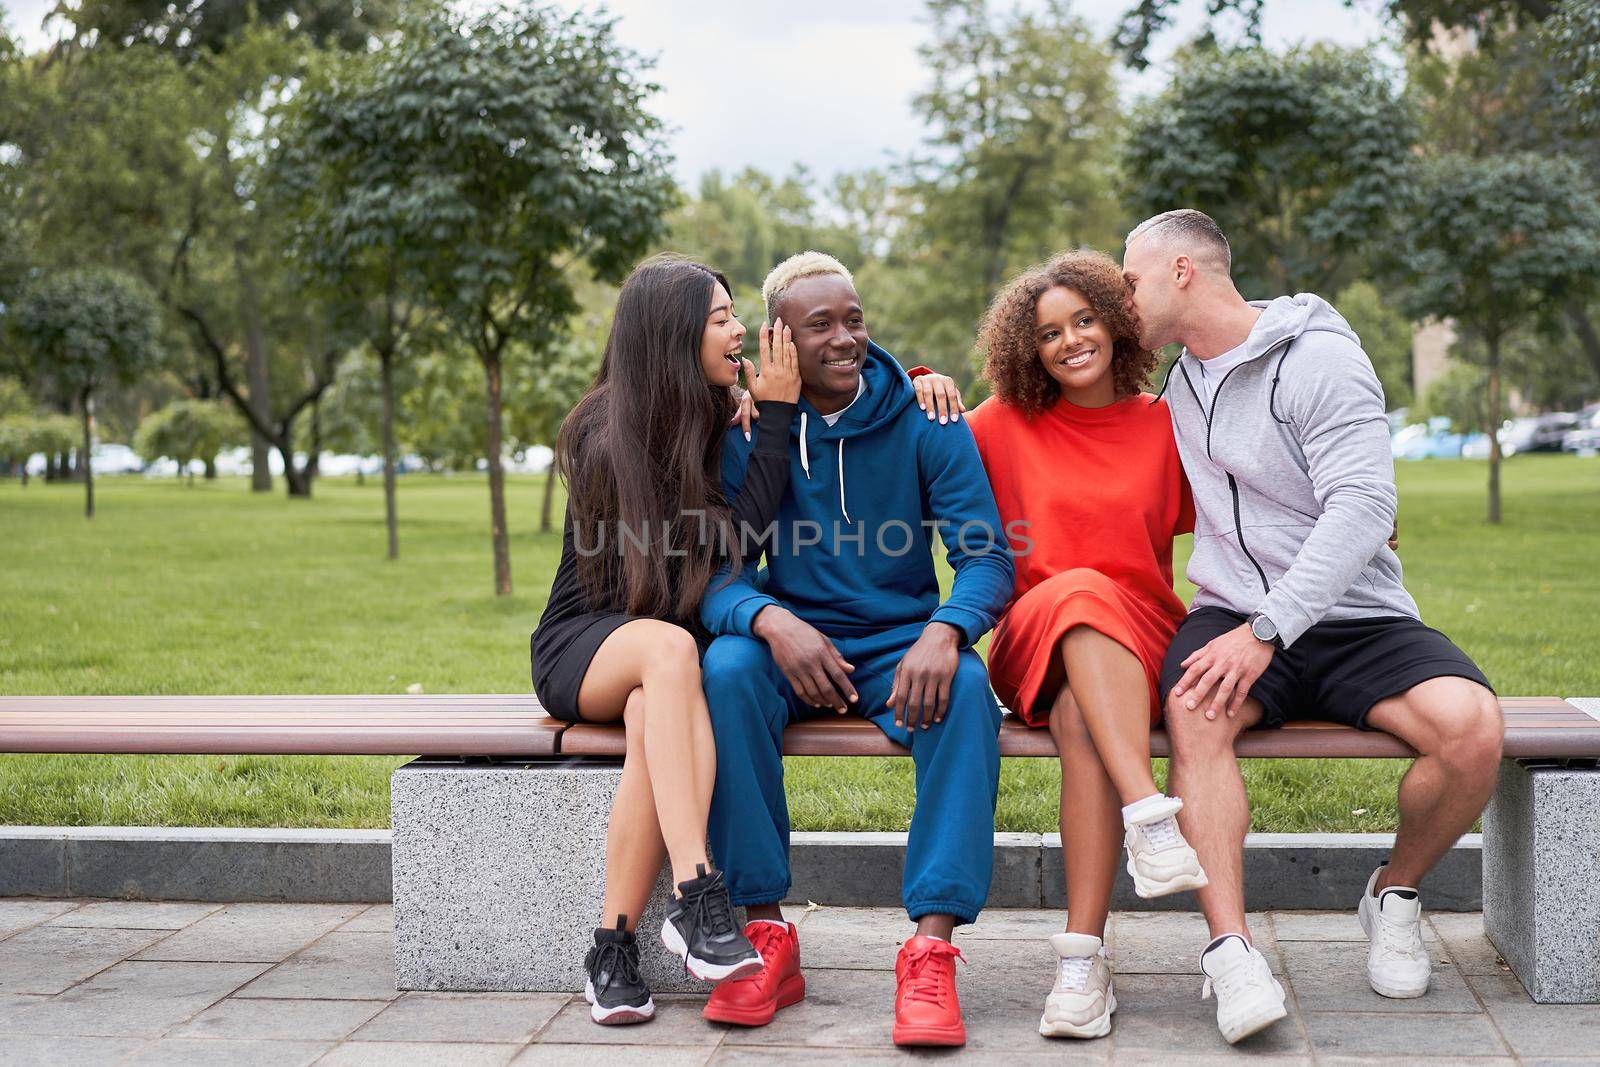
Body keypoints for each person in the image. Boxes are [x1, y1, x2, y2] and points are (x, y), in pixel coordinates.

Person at [1121, 209, 1502, 1043]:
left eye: (1132, 278)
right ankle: (1231, 949)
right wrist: (930, 378)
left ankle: (1393, 892)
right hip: (1230, 610)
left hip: (1353, 614)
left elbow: (1366, 503)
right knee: (1195, 707)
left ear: (1183, 271)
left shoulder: (1319, 357)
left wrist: (1269, 628)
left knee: (1472, 730)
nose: (1122, 296)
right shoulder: (1176, 380)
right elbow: (1045, 371)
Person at [696, 251, 1014, 1048]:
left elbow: (986, 555)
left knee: (968, 693)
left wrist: (947, 629)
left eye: (854, 318)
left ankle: (932, 949)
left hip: (899, 645)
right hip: (794, 642)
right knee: (727, 666)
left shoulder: (925, 419)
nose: (844, 338)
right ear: (779, 342)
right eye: (820, 325)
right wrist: (770, 619)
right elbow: (712, 573)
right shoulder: (749, 430)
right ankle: (765, 933)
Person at [963, 250, 1206, 1041]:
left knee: (1080, 725)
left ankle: (1083, 959)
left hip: (1143, 640)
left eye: (1084, 320)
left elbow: (1254, 499)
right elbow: (905, 444)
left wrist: (1354, 507)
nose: (1069, 340)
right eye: (1048, 333)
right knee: (1077, 588)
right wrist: (925, 376)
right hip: (1036, 629)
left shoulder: (1164, 423)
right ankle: (1150, 812)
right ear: (1024, 349)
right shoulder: (1000, 423)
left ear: (1115, 320)